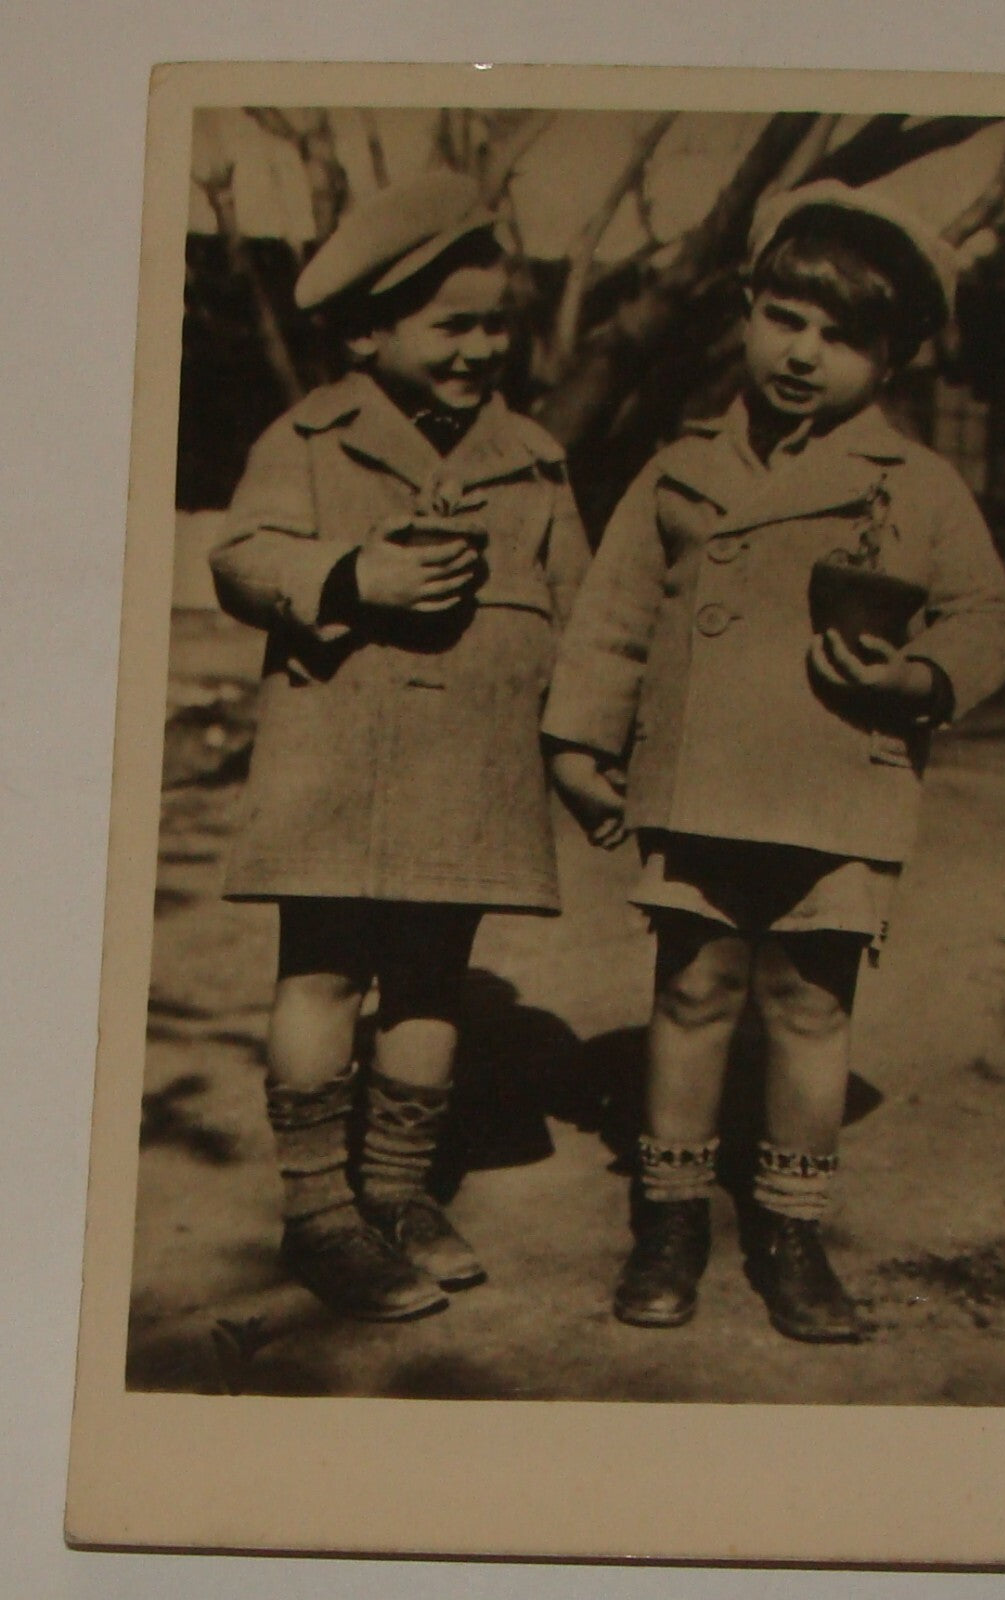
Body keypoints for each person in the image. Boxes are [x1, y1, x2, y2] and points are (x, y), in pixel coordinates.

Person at [543, 180, 1005, 1342]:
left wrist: (919, 681)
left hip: (837, 784)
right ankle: (669, 1218)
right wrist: (578, 741)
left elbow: (994, 618)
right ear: (748, 310)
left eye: (846, 338)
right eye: (785, 320)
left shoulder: (915, 486)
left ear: (896, 359)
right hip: (701, 782)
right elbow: (615, 618)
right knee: (695, 988)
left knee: (811, 1010)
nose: (805, 355)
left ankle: (794, 1229)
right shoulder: (679, 469)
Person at [210, 171, 590, 1322]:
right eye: (452, 324)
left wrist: (587, 743)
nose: (481, 348)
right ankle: (319, 1209)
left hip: (465, 768)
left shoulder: (532, 459)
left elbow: (582, 614)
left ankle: (397, 1190)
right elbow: (239, 557)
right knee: (322, 971)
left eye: (497, 325)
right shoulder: (311, 436)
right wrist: (350, 574)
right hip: (336, 757)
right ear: (371, 329)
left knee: (432, 977)